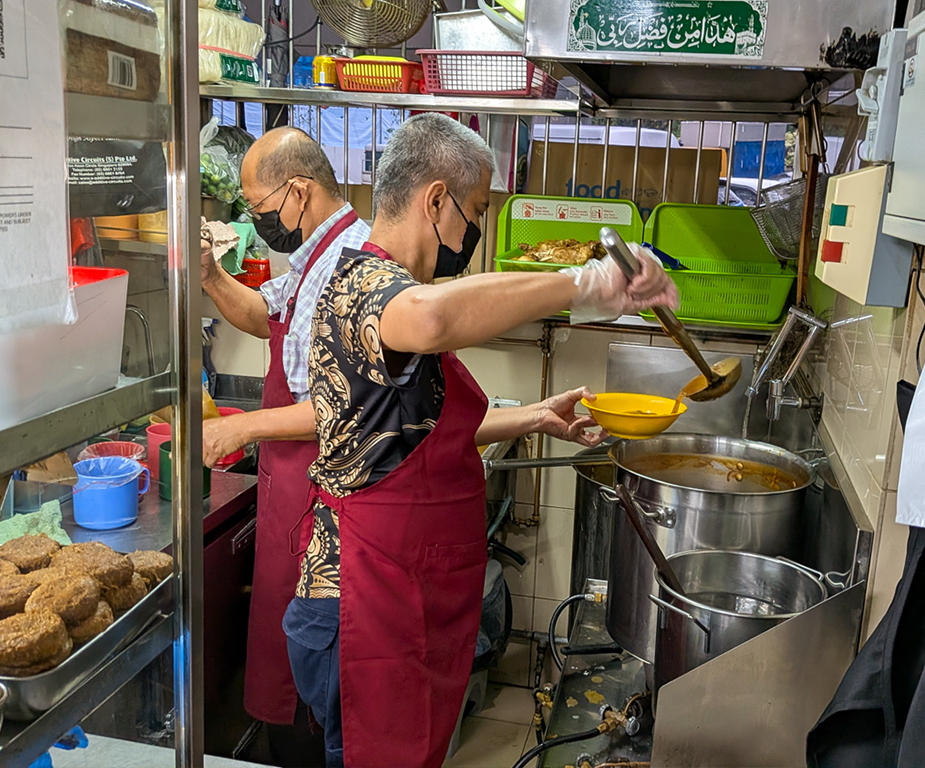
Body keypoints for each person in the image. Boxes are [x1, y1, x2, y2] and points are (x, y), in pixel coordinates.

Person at [281, 113, 678, 768]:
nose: (477, 230)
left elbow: (412, 428)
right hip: (364, 607)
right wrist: (588, 285)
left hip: (406, 596)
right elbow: (438, 317)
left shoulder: (400, 288)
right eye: (476, 210)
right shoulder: (363, 289)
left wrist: (533, 416)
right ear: (435, 200)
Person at [199, 126, 369, 764]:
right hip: (287, 488)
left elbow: (339, 410)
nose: (259, 222)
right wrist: (210, 273)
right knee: (291, 643)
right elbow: (264, 317)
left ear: (299, 191)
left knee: (313, 660)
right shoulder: (315, 254)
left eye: (262, 210)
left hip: (317, 494)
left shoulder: (349, 264)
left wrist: (241, 427)